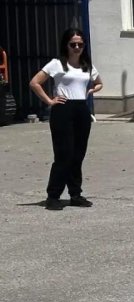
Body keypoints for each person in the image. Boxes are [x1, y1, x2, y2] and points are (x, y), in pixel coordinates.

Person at [29, 28, 103, 211]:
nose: (77, 47)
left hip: (81, 110)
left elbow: (99, 82)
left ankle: (75, 195)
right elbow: (34, 82)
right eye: (73, 44)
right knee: (64, 154)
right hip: (63, 109)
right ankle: (53, 196)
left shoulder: (87, 65)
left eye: (80, 44)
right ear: (66, 45)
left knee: (78, 154)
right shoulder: (57, 64)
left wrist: (91, 90)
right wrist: (49, 100)